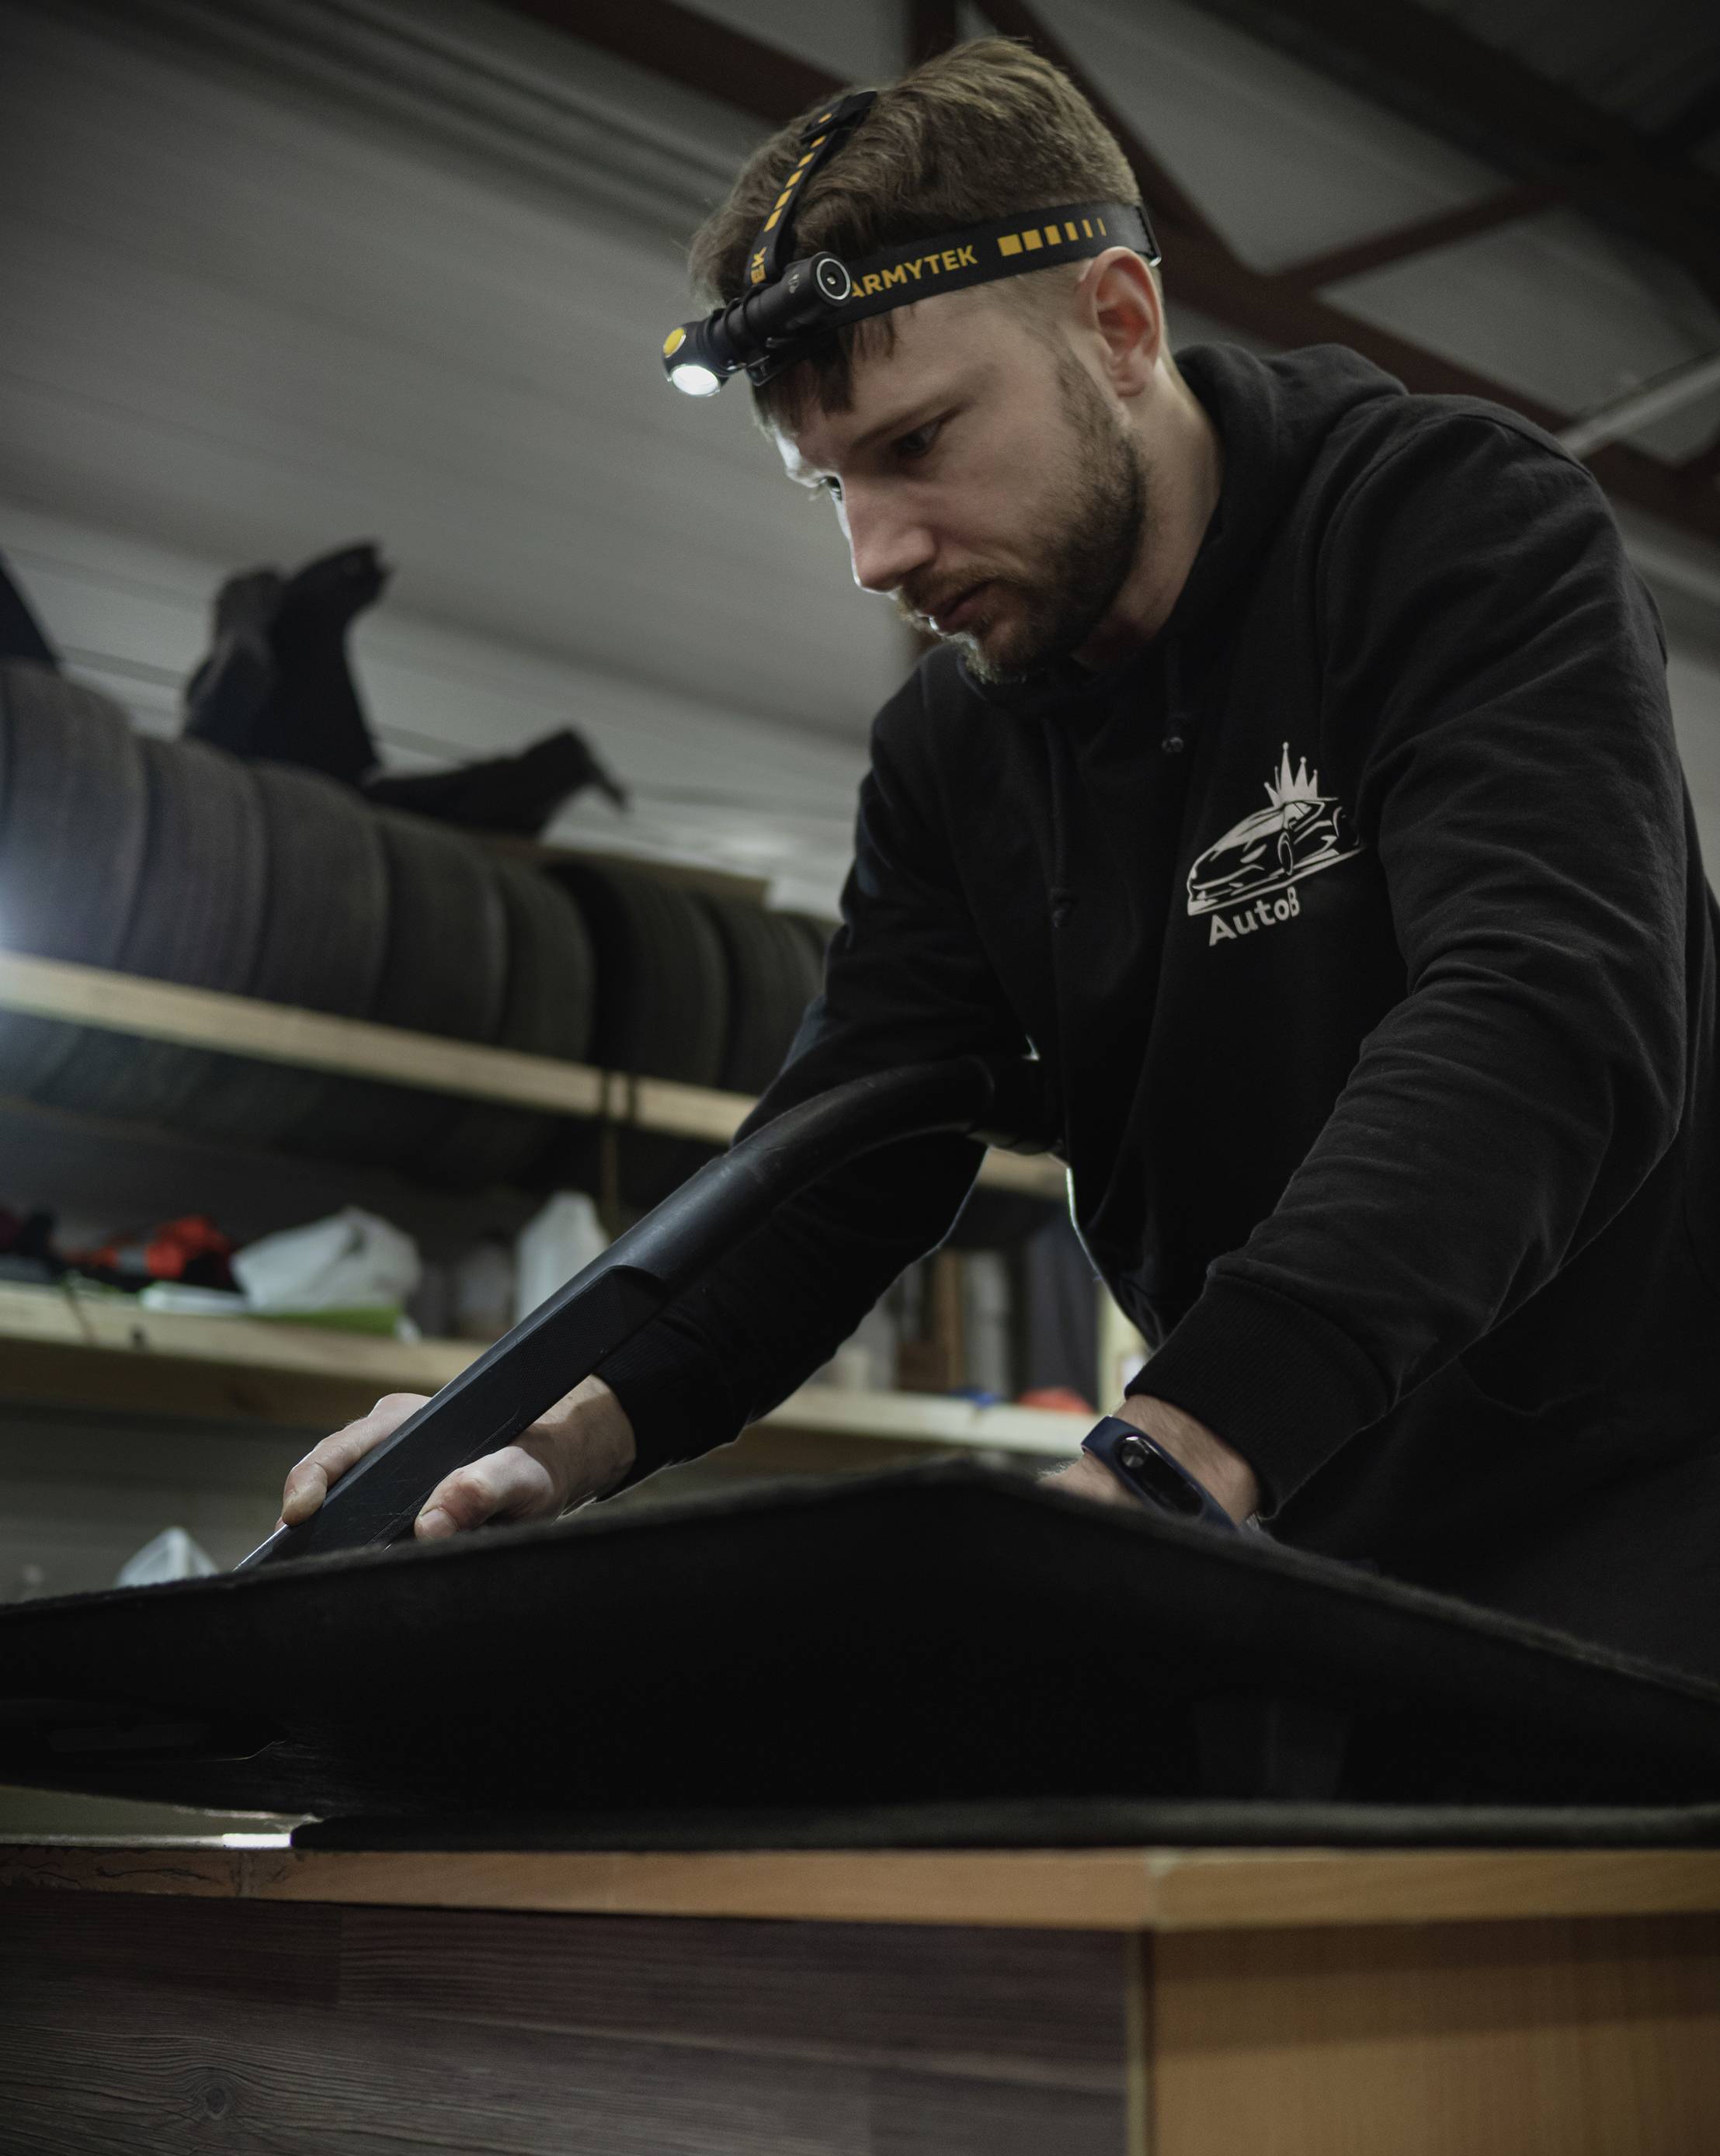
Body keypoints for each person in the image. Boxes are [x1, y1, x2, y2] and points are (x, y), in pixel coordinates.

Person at [280, 40, 1720, 1674]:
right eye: (829, 484)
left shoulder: (1450, 529)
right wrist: (540, 1431)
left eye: (916, 444)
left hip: (1654, 1502)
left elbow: (1543, 1015)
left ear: (1119, 323)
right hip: (1318, 1533)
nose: (872, 553)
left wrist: (1175, 1447)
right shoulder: (951, 751)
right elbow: (837, 1161)